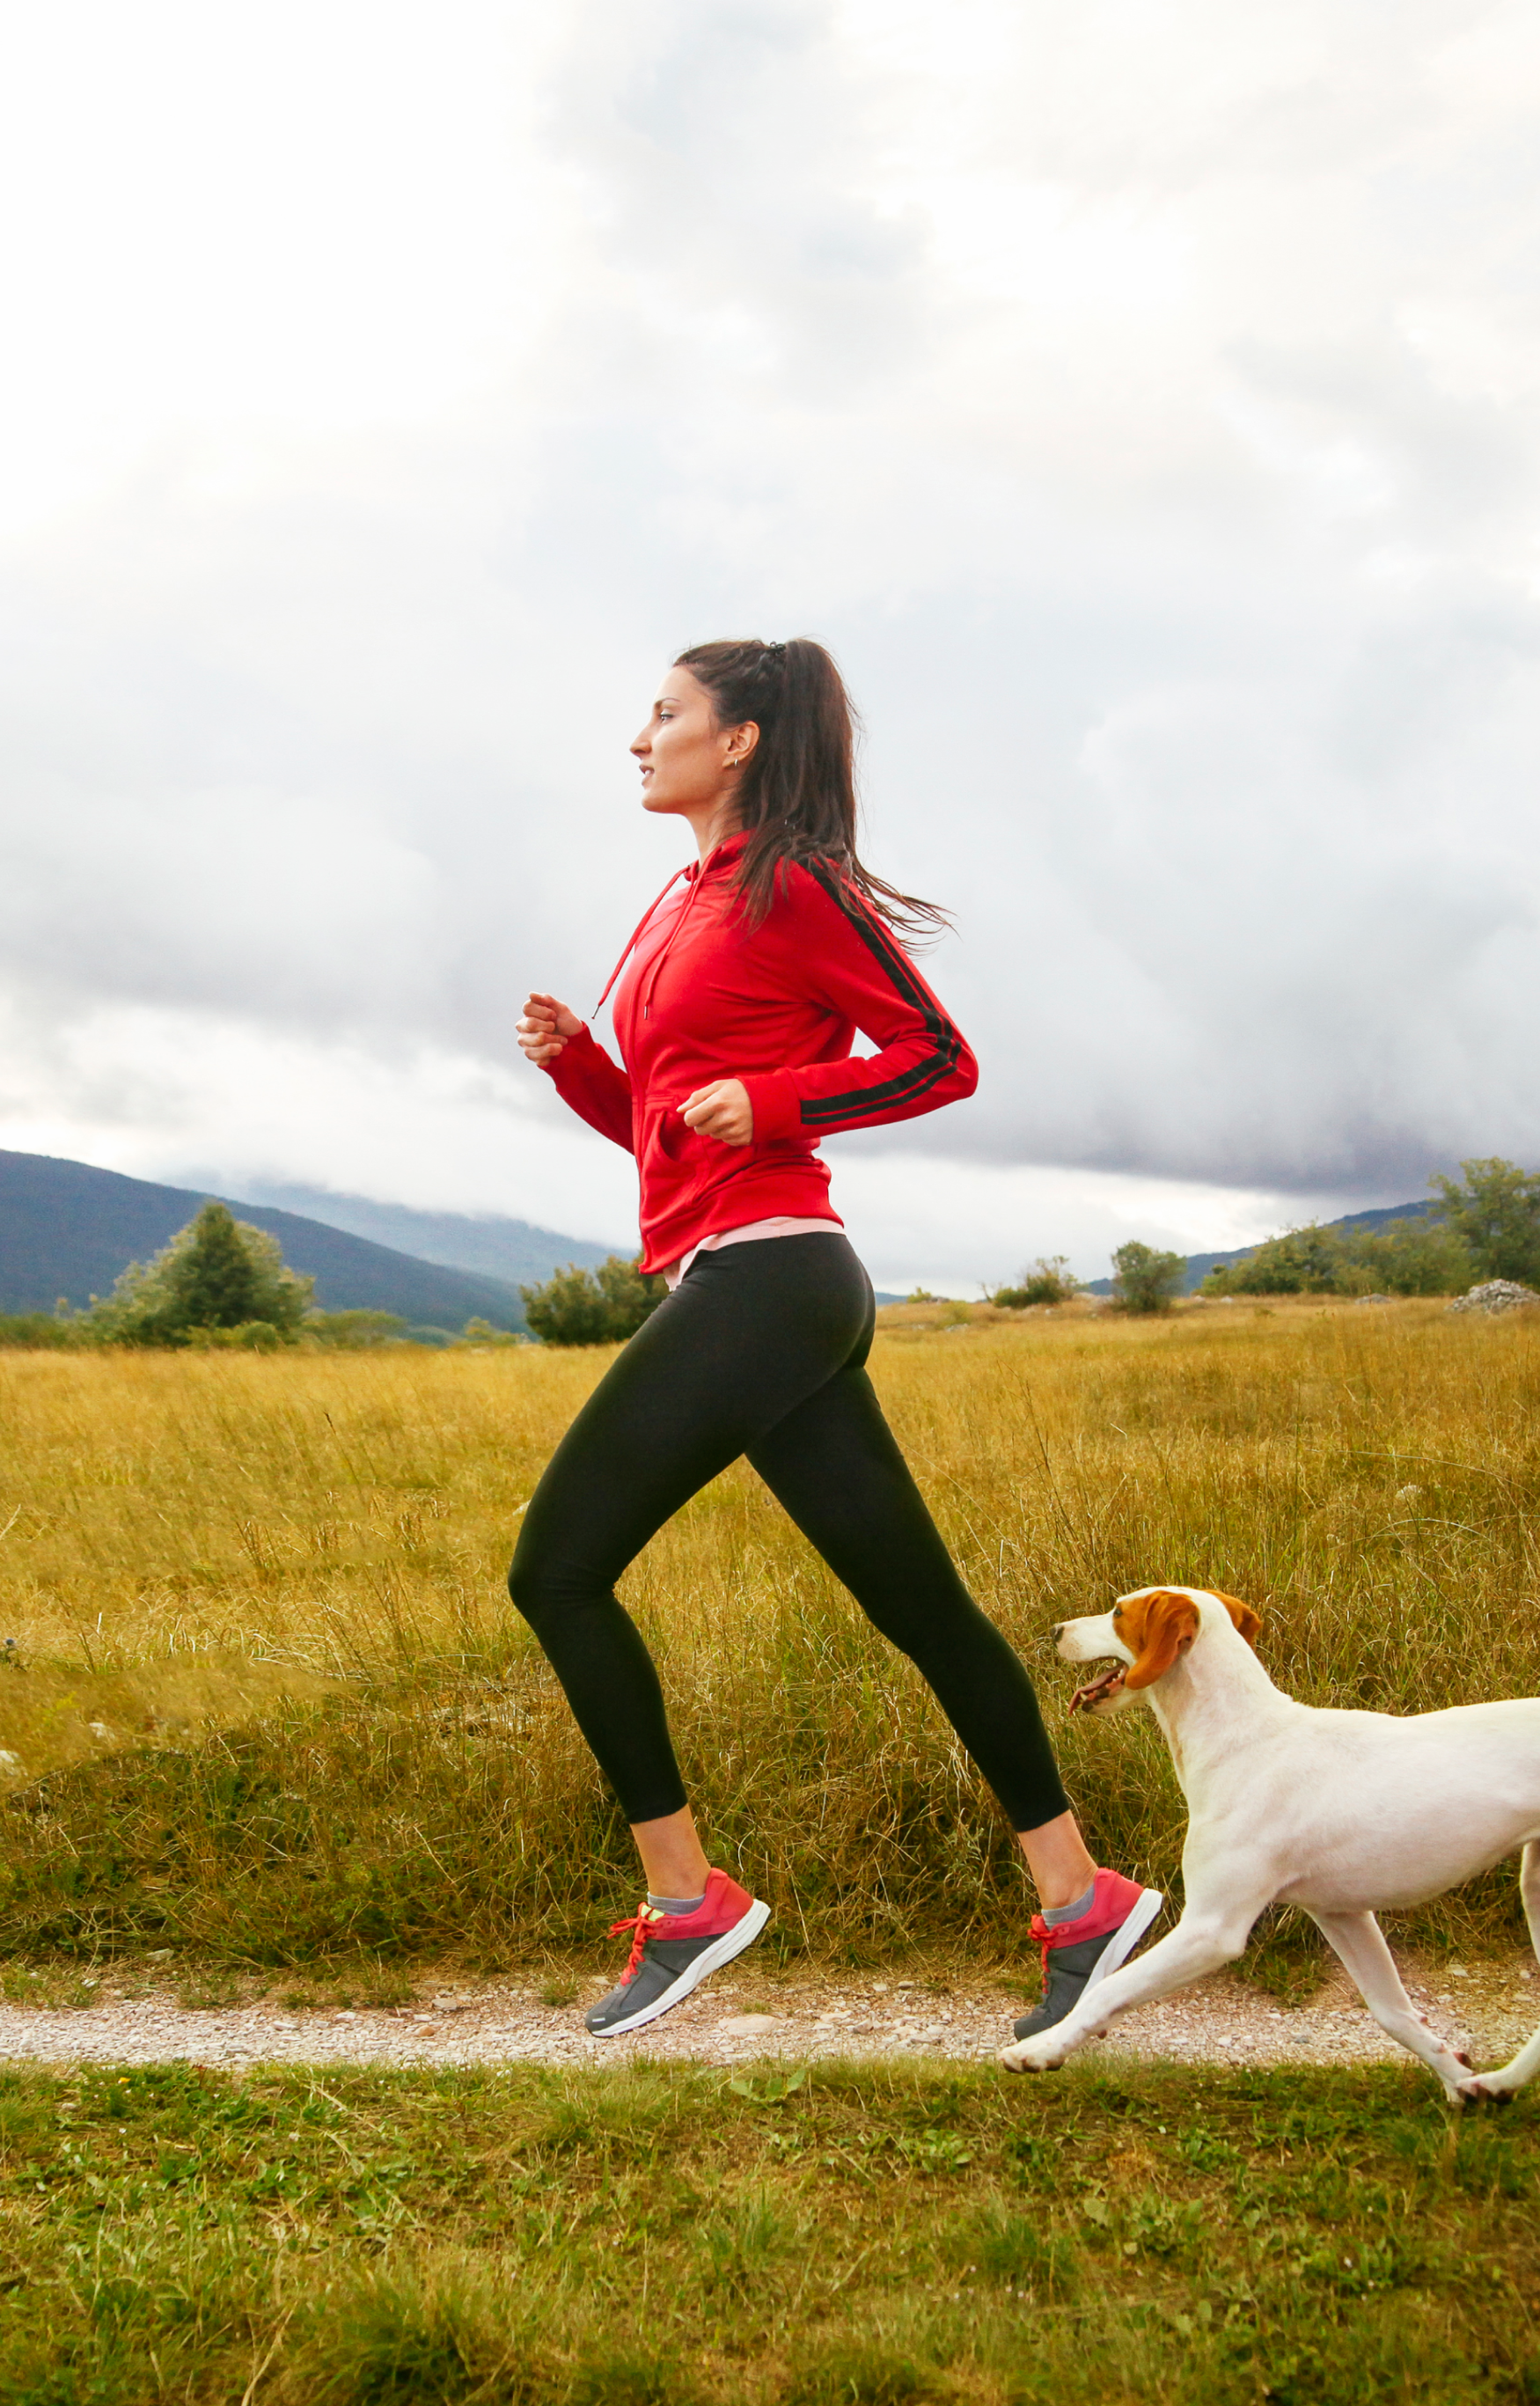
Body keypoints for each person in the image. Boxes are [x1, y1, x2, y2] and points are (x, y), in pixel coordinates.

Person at [511, 636, 1160, 2040]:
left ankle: (686, 1902)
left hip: (773, 1274)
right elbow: (658, 1128)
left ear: (737, 739)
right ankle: (1082, 1899)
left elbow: (935, 1054)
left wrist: (783, 1100)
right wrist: (581, 1059)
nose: (640, 736)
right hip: (731, 1271)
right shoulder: (676, 900)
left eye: (665, 712)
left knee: (555, 1571)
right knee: (920, 1610)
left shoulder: (789, 883)